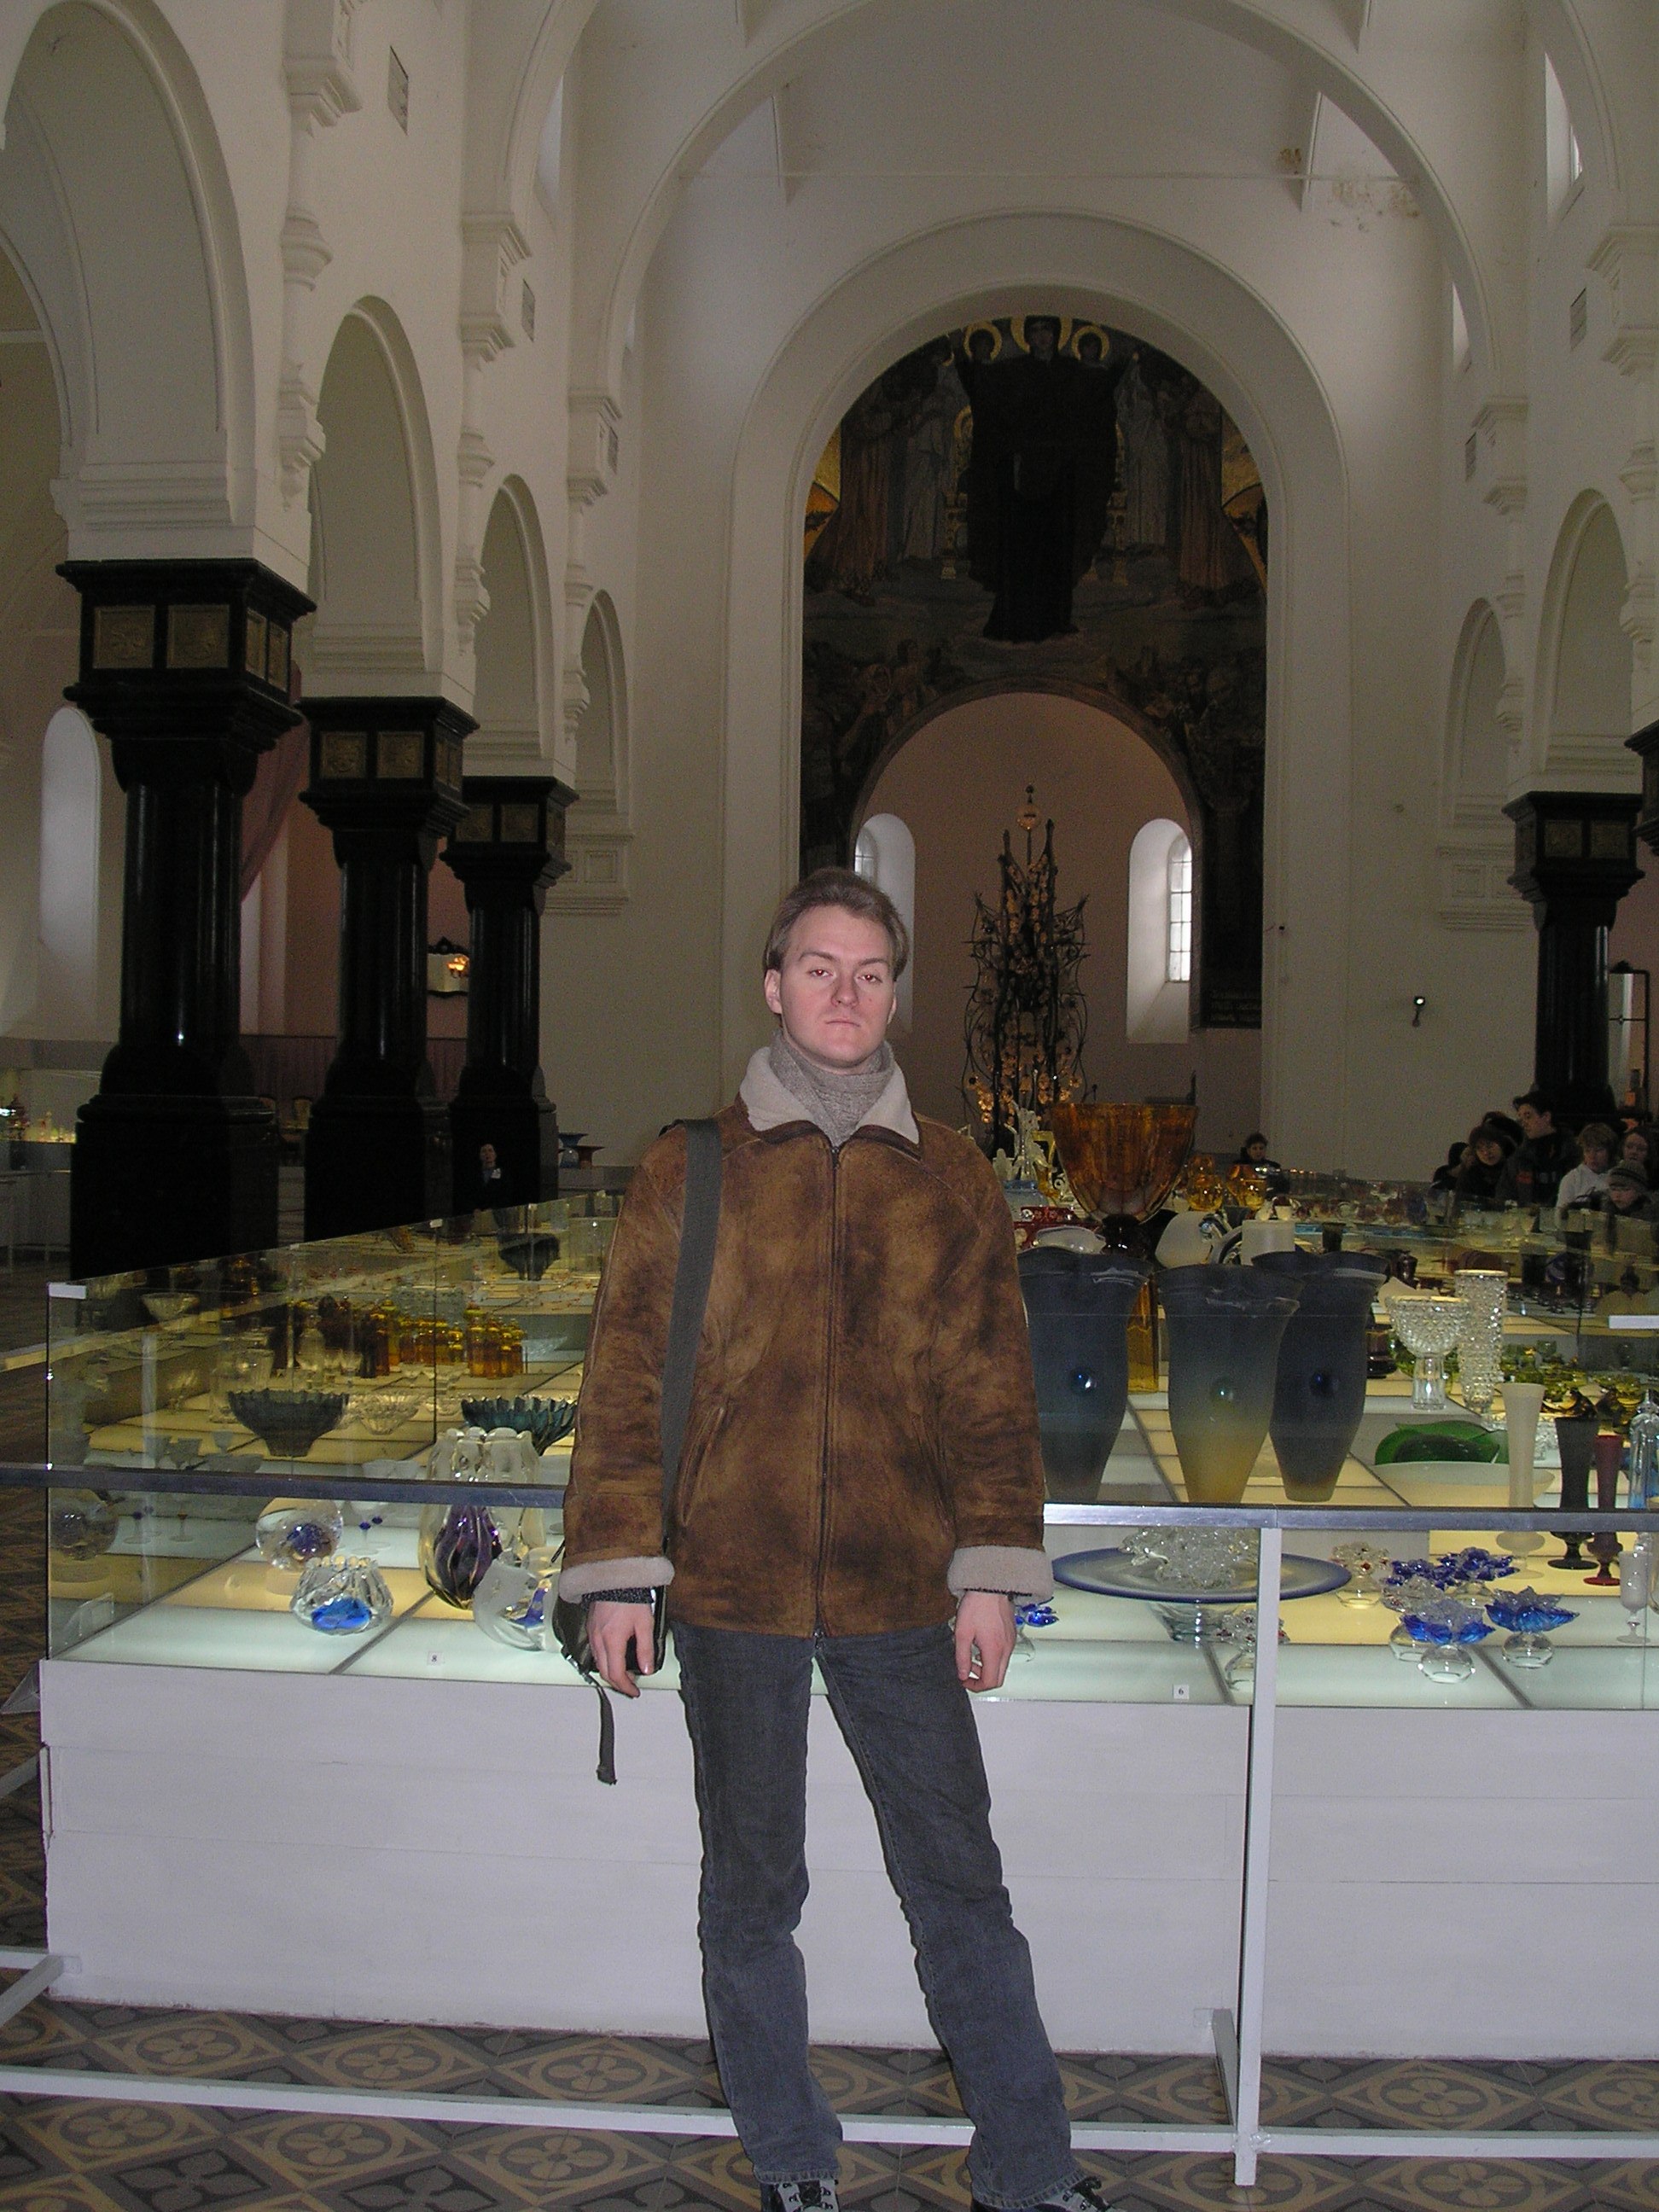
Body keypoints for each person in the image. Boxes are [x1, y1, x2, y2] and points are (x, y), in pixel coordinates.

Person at [558, 868, 1114, 2212]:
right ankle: (794, 2158)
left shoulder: (951, 1175)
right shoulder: (692, 1167)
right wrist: (621, 1575)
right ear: (774, 985)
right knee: (753, 1892)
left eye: (869, 973)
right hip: (733, 1583)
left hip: (901, 1584)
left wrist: (993, 1574)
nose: (845, 995)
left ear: (895, 994)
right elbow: (625, 1382)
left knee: (961, 1885)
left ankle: (1030, 2169)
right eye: (820, 969)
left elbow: (991, 1390)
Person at [1493, 1090, 1576, 1211]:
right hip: (1527, 1220)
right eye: (1521, 1118)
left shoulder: (1574, 1154)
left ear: (1546, 1117)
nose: (1524, 1124)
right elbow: (1503, 1198)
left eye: (1528, 1117)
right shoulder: (1518, 1159)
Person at [1434, 1121, 1513, 1202]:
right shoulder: (1472, 1175)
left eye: (1489, 1146)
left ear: (1500, 1144)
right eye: (1479, 1149)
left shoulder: (1514, 1168)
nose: (1486, 1153)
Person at [1557, 1122, 1616, 1220]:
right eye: (1588, 1150)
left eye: (1598, 1150)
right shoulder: (1572, 1179)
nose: (1592, 1156)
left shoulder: (1619, 1175)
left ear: (1610, 1151)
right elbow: (1560, 1217)